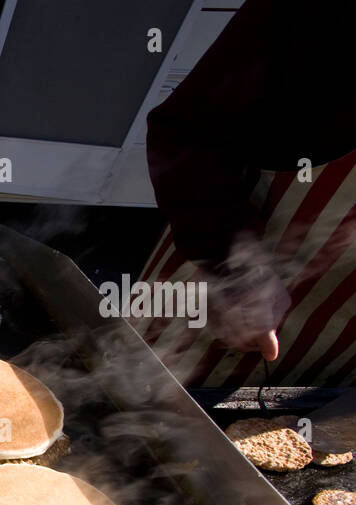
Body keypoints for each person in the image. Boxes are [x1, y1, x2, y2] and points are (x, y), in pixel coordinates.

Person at [134, 0, 356, 387]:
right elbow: (187, 131)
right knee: (123, 403)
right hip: (213, 295)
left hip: (337, 369)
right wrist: (233, 268)